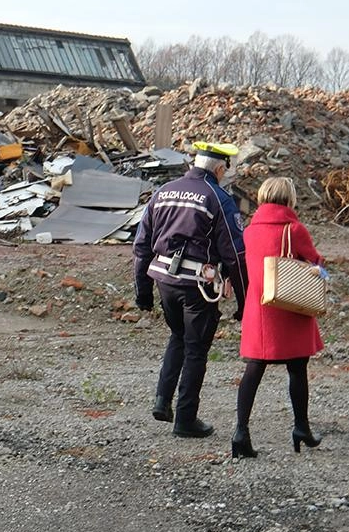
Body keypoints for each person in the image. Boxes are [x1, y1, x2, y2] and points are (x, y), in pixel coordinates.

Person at [133, 141, 248, 438]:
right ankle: (185, 419)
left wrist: (143, 292)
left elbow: (142, 245)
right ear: (219, 169)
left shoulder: (163, 191)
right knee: (196, 349)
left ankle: (162, 399)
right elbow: (235, 253)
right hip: (198, 284)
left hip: (164, 280)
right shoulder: (218, 198)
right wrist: (244, 302)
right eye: (225, 170)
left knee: (178, 336)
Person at [231, 177, 325, 458]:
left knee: (254, 369)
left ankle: (240, 432)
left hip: (259, 309)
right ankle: (301, 427)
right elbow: (316, 263)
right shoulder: (294, 229)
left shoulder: (249, 231)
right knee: (297, 368)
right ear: (290, 198)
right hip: (289, 307)